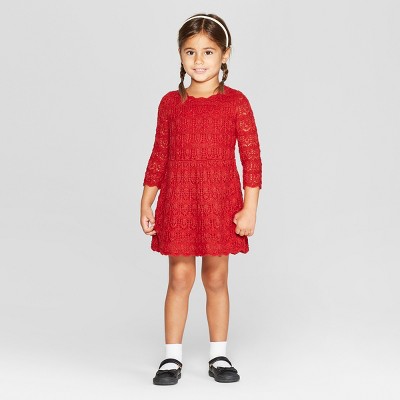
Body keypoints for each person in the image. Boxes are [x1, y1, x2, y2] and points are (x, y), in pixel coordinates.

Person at [140, 13, 262, 385]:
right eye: (190, 51)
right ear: (180, 54)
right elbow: (159, 154)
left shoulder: (236, 103)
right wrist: (146, 201)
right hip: (179, 199)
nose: (198, 60)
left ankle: (219, 354)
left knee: (216, 277)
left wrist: (249, 208)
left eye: (208, 51)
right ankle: (171, 357)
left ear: (225, 55)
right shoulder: (170, 103)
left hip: (219, 202)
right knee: (179, 277)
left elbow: (251, 159)